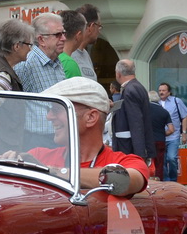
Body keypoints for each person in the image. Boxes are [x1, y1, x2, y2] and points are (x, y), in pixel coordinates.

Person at [14, 77, 151, 190]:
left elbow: (126, 179)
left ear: (90, 118)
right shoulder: (36, 155)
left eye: (57, 109)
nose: (49, 116)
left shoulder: (124, 162)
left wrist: (50, 172)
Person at [13, 14, 70, 151]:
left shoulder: (57, 61)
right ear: (41, 40)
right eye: (57, 34)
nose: (64, 38)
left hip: (58, 135)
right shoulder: (27, 63)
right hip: (37, 139)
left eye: (63, 33)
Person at [0, 19, 31, 153]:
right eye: (28, 44)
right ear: (16, 46)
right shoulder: (1, 76)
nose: (30, 48)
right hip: (1, 151)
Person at [112, 58, 160, 171]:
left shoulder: (130, 90)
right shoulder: (136, 87)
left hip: (129, 149)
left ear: (118, 74)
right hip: (131, 148)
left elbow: (136, 122)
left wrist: (140, 155)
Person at [155, 83, 187, 180]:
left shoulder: (176, 101)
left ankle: (173, 180)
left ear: (169, 92)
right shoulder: (156, 103)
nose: (161, 92)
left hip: (173, 136)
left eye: (163, 90)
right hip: (160, 137)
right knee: (162, 161)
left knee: (171, 158)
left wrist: (184, 133)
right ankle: (167, 181)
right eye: (160, 90)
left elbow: (184, 117)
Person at [57, 5, 101, 79]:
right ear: (91, 26)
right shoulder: (66, 56)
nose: (99, 31)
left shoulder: (85, 54)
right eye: (99, 26)